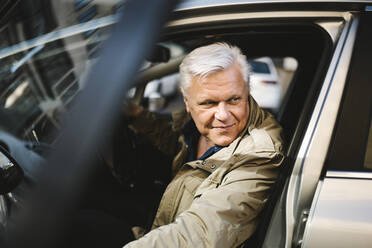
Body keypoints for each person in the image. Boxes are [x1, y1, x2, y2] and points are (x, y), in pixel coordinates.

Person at [122, 42, 284, 247]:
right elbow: (178, 144)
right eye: (209, 103)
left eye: (234, 99)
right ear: (187, 102)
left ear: (247, 92)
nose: (223, 116)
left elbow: (203, 232)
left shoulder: (259, 154)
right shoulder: (194, 127)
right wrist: (137, 116)